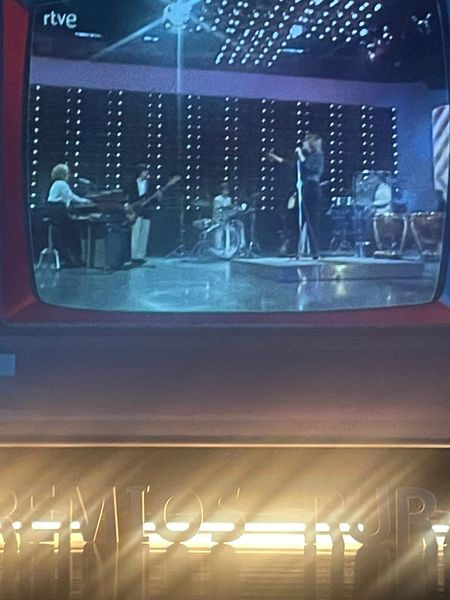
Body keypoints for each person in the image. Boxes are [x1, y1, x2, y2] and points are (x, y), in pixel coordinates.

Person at [269, 133, 325, 258]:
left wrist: (301, 155)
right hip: (304, 189)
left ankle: (315, 251)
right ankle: (294, 249)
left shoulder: (318, 156)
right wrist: (276, 158)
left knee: (312, 221)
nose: (303, 144)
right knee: (296, 220)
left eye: (305, 141)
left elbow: (310, 169)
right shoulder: (307, 156)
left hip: (312, 189)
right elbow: (293, 165)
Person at [47, 163, 91, 266]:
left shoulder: (56, 184)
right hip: (59, 213)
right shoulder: (61, 184)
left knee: (70, 232)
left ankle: (70, 258)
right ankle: (76, 258)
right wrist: (85, 201)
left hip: (56, 213)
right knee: (75, 232)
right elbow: (70, 196)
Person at [125, 164, 161, 264]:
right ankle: (133, 255)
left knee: (144, 233)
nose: (146, 173)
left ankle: (140, 256)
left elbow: (155, 199)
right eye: (144, 171)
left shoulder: (151, 184)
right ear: (139, 172)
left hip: (146, 212)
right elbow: (127, 197)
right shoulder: (131, 184)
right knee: (135, 233)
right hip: (135, 211)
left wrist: (158, 197)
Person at [212, 182, 246, 256]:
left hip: (227, 219)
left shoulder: (229, 199)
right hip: (219, 219)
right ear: (221, 191)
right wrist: (227, 207)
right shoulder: (217, 199)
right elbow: (217, 210)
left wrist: (234, 208)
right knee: (219, 230)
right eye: (225, 190)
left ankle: (239, 246)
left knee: (237, 227)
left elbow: (230, 210)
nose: (226, 192)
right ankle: (218, 246)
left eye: (227, 190)